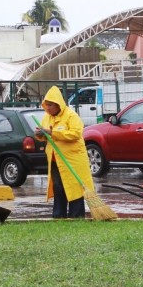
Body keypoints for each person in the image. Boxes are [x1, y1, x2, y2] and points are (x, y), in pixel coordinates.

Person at [35, 86, 93, 218]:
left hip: (72, 160)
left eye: (50, 105)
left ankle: (76, 215)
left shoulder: (71, 116)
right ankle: (58, 215)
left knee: (74, 187)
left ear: (58, 104)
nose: (48, 108)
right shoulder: (47, 117)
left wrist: (53, 132)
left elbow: (75, 134)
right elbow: (45, 137)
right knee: (58, 186)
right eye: (46, 105)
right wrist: (39, 134)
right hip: (56, 159)